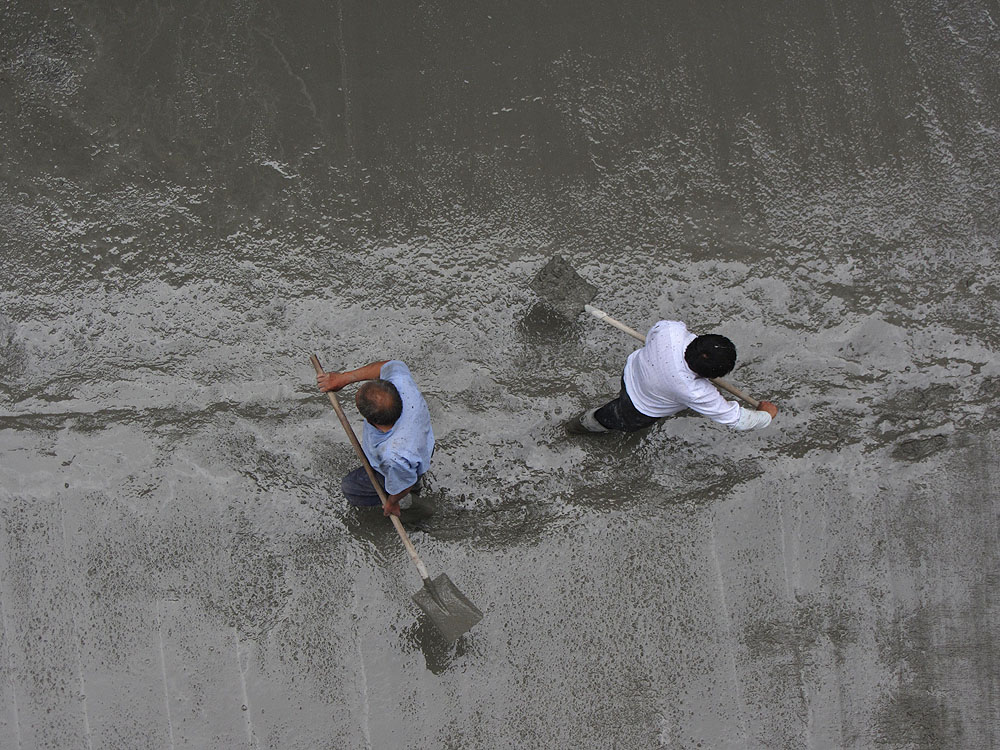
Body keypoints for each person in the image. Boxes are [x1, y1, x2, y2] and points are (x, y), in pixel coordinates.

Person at [573, 320, 778, 433]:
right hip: (639, 408)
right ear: (711, 376)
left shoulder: (671, 331)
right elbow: (738, 420)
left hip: (631, 373)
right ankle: (580, 426)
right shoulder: (695, 391)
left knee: (619, 404)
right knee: (609, 418)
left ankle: (585, 423)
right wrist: (766, 415)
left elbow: (653, 335)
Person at [317, 360, 434, 517]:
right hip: (423, 444)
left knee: (351, 487)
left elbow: (403, 483)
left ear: (374, 423)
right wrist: (343, 378)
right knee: (408, 471)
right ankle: (414, 484)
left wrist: (392, 503)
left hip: (403, 463)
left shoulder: (392, 455)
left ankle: (414, 511)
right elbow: (385, 366)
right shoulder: (401, 381)